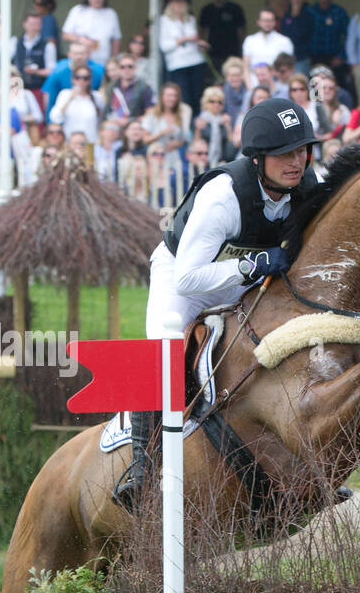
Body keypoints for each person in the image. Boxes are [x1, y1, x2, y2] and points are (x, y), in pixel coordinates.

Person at [119, 98, 320, 510]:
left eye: (302, 150)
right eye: (285, 153)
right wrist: (253, 264)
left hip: (242, 279)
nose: (297, 161)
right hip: (183, 277)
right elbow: (189, 277)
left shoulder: (305, 187)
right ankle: (141, 469)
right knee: (164, 345)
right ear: (258, 157)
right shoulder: (223, 196)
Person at [159, 0, 208, 112]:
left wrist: (199, 44)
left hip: (196, 61)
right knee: (184, 98)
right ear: (170, 5)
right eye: (175, 2)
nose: (179, 5)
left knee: (197, 96)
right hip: (178, 64)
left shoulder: (190, 19)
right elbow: (164, 46)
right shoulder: (164, 20)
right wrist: (184, 39)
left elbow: (194, 39)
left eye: (181, 2)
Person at [62, 0, 121, 65]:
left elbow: (116, 39)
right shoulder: (78, 10)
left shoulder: (111, 13)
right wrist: (81, 39)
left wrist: (114, 60)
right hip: (80, 61)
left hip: (102, 61)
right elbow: (65, 35)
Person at [199, 0, 247, 68]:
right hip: (213, 52)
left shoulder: (235, 9)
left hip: (233, 51)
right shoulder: (207, 10)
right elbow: (202, 31)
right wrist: (202, 48)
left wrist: (242, 49)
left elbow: (241, 31)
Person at [49, 63, 100, 144]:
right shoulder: (65, 94)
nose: (81, 81)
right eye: (77, 77)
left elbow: (100, 120)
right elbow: (55, 118)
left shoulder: (97, 97)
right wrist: (70, 98)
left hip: (91, 143)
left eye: (85, 78)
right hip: (70, 142)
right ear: (72, 79)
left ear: (90, 80)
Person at [13, 13, 57, 97]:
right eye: (31, 24)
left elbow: (52, 71)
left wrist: (36, 72)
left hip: (39, 89)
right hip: (18, 89)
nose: (34, 27)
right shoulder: (15, 42)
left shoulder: (48, 45)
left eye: (37, 24)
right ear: (24, 24)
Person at [193, 85, 236, 163]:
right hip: (203, 162)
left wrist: (228, 127)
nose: (216, 104)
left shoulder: (225, 121)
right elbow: (195, 145)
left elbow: (231, 146)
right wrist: (198, 129)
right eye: (212, 101)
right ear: (205, 103)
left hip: (221, 162)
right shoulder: (200, 120)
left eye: (219, 102)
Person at [108, 53, 155, 120]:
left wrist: (130, 121)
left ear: (135, 68)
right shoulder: (111, 87)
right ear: (118, 69)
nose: (126, 70)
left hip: (136, 127)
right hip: (115, 125)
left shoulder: (145, 87)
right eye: (122, 67)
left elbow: (150, 113)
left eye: (130, 66)